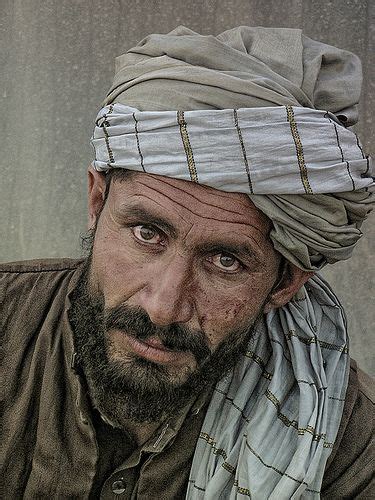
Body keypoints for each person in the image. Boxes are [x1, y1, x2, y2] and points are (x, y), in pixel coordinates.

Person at [2, 26, 374, 499]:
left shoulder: (347, 445)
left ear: (286, 282)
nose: (163, 306)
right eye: (147, 233)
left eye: (225, 261)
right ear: (97, 202)